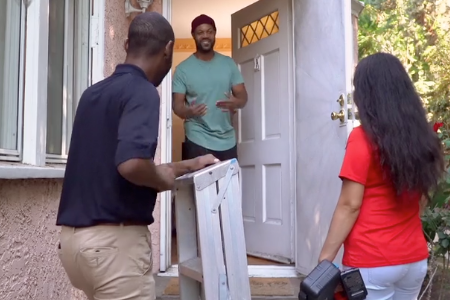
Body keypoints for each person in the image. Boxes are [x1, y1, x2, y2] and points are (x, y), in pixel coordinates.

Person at [55, 12, 218, 300]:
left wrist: (186, 166)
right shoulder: (143, 91)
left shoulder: (92, 94)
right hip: (114, 249)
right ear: (168, 49)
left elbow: (115, 161)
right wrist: (161, 180)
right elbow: (131, 165)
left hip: (74, 246)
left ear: (127, 44)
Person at [318, 53, 444, 300]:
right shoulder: (421, 137)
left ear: (367, 93)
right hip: (414, 259)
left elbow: (349, 205)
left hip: (372, 261)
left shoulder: (362, 138)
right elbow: (421, 200)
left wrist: (325, 258)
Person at [172, 14, 248, 161]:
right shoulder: (182, 69)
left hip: (227, 139)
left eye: (209, 31)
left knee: (228, 184)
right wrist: (189, 111)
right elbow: (177, 106)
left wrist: (236, 102)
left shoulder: (228, 64)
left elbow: (243, 97)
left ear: (214, 33)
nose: (205, 36)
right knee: (202, 184)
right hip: (198, 137)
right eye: (200, 32)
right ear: (193, 35)